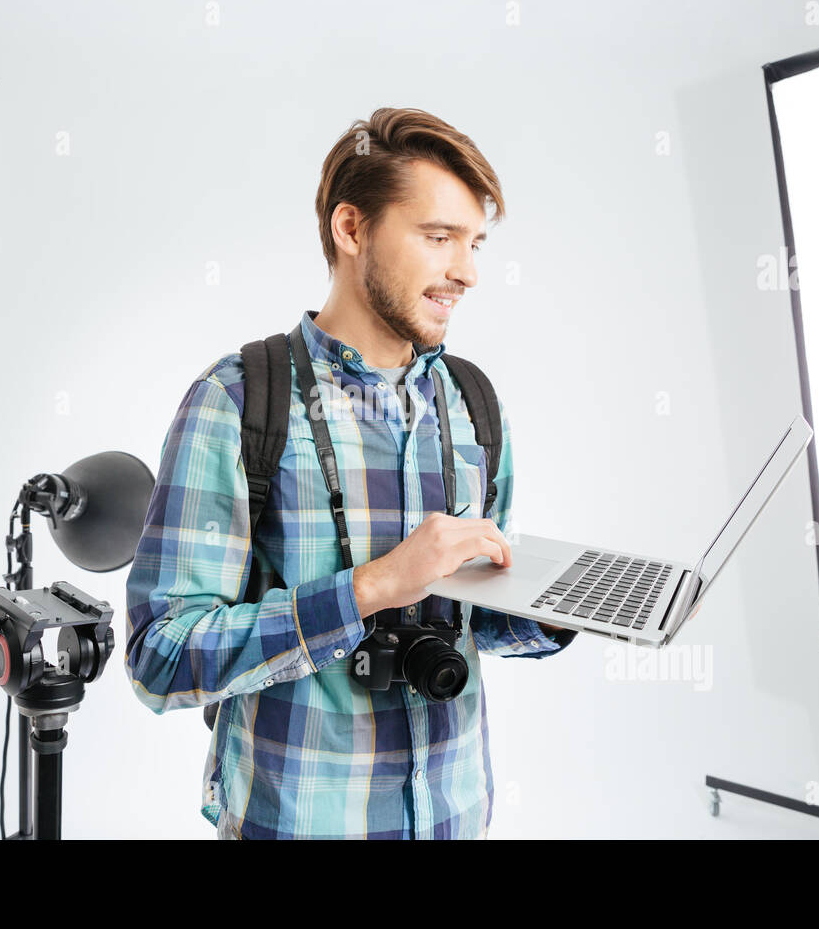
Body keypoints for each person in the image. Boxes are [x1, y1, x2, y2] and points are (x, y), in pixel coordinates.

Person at [124, 107, 576, 839]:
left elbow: (476, 618)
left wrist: (556, 609)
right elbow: (160, 657)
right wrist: (369, 590)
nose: (467, 271)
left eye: (475, 244)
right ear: (351, 228)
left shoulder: (473, 404)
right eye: (438, 238)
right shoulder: (238, 400)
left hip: (456, 820)